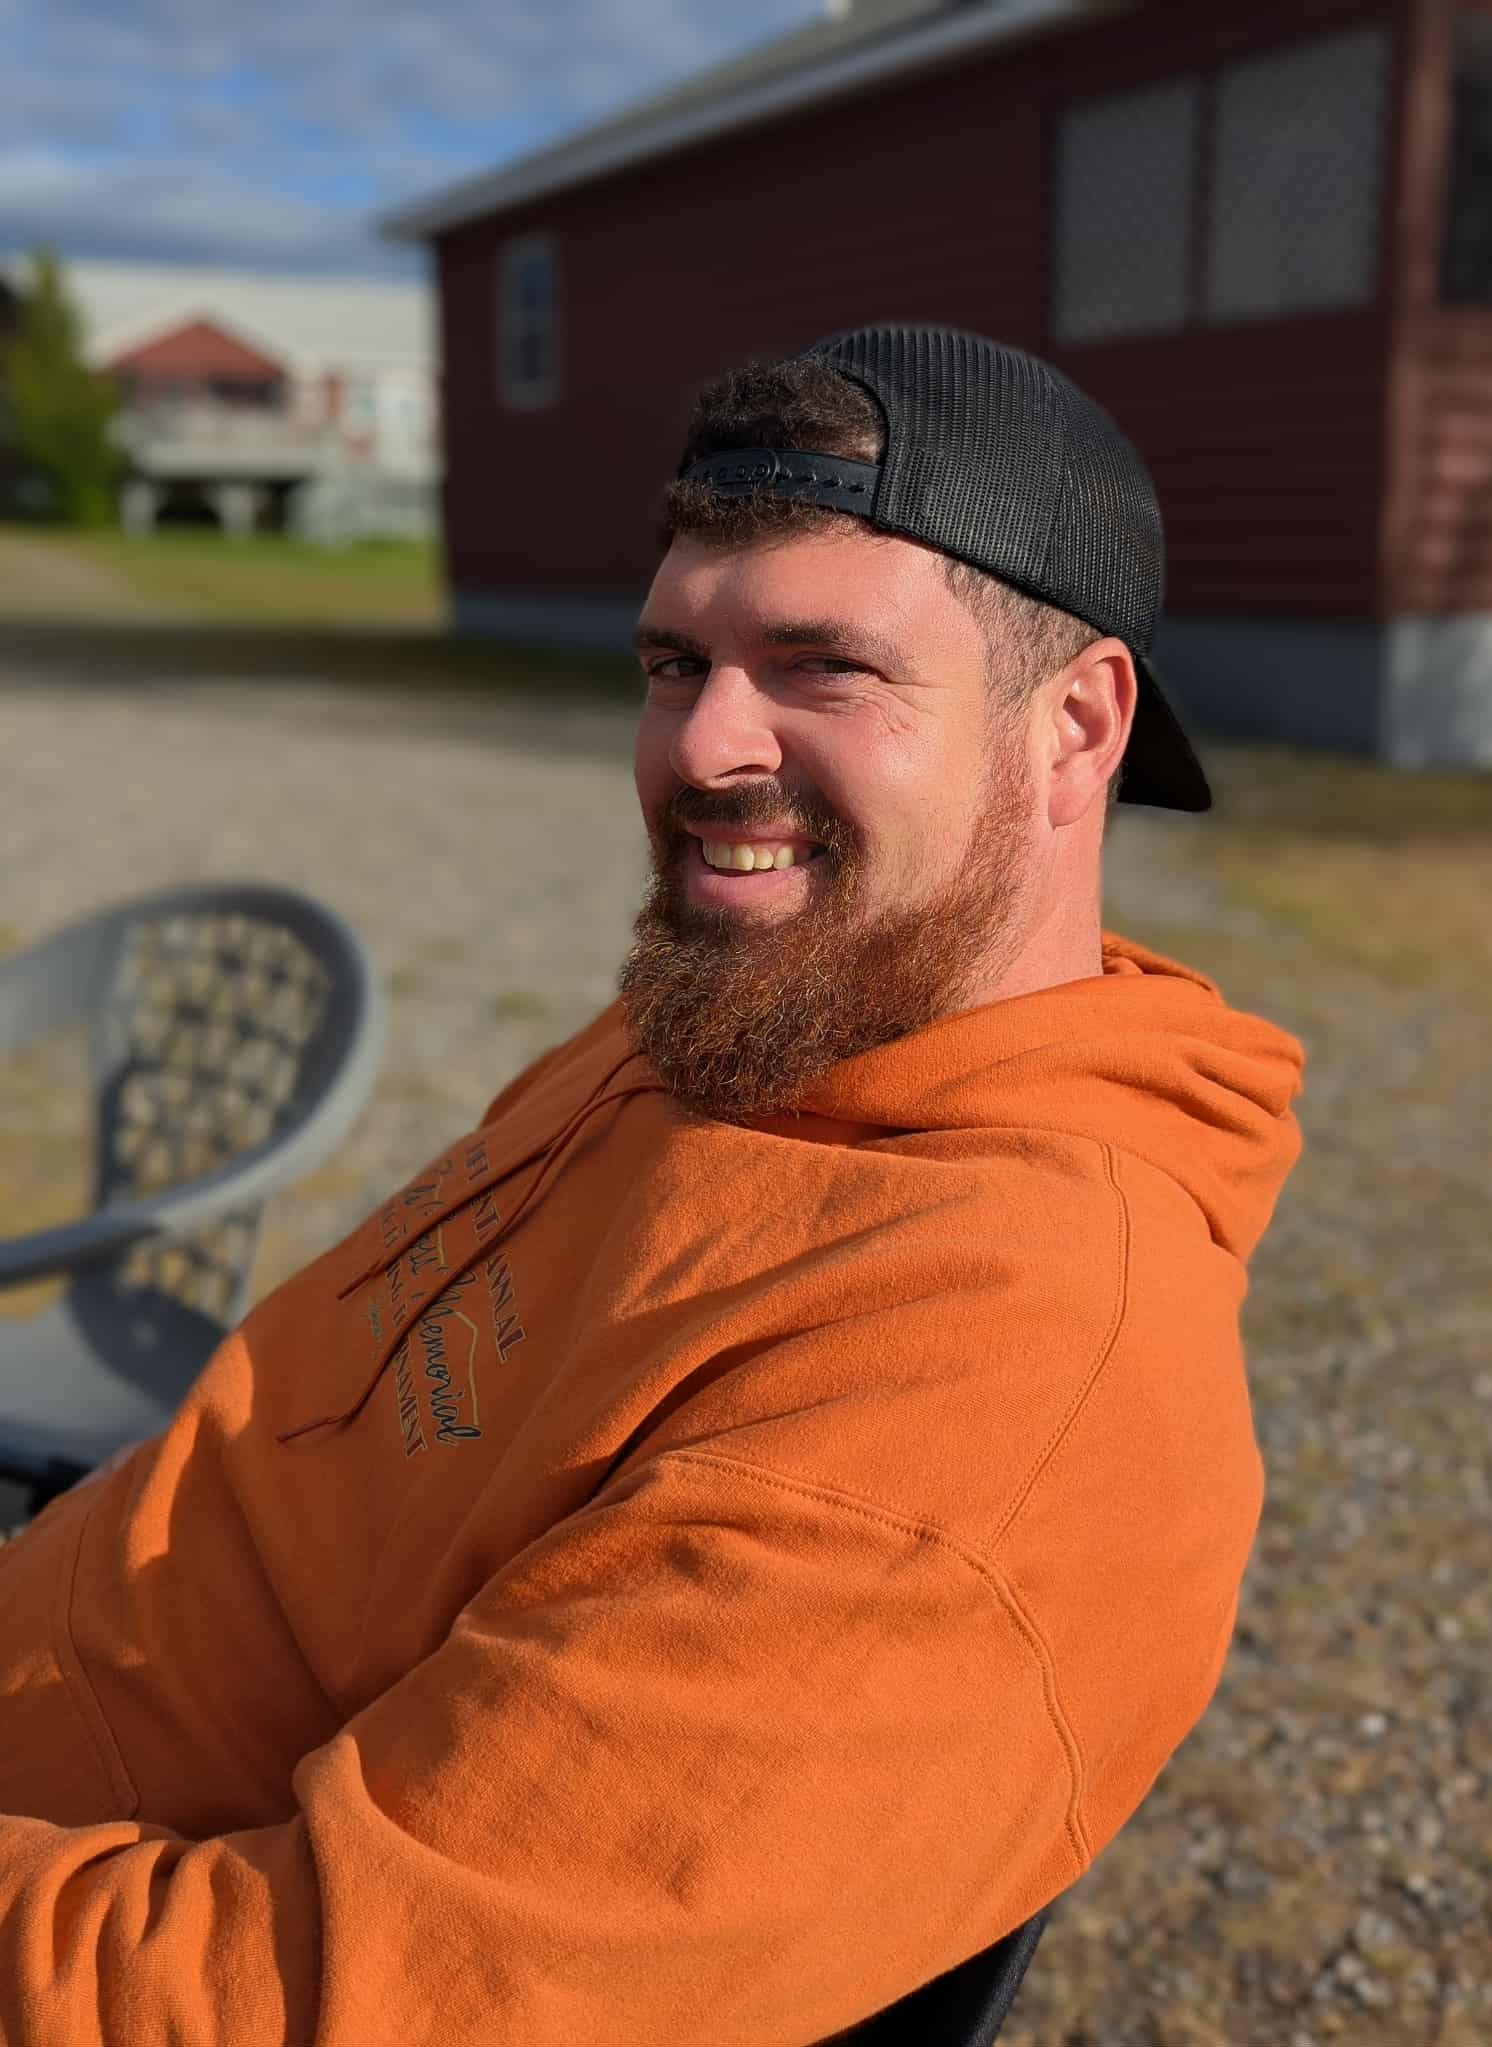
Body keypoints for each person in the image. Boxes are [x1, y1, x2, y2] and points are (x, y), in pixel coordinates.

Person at [0, 326, 1303, 2044]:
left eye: (819, 666)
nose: (696, 748)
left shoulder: (994, 1391)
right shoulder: (745, 1028)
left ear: (1073, 728)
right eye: (671, 660)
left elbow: (277, 2005)